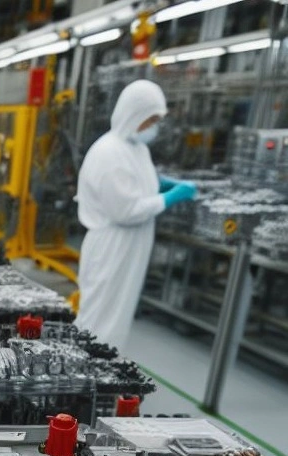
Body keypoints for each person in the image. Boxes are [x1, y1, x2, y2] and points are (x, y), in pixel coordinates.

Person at [75, 80, 197, 351]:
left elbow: (140, 184)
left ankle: (105, 371)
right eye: (150, 120)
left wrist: (160, 183)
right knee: (100, 314)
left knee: (118, 314)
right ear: (134, 115)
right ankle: (87, 372)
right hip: (112, 246)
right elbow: (125, 211)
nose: (153, 127)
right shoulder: (109, 151)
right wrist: (170, 197)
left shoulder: (137, 148)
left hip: (131, 245)